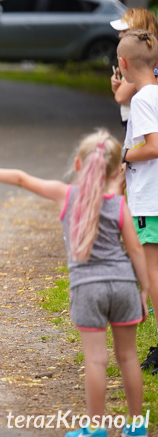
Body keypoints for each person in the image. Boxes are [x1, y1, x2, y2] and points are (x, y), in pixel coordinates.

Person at [0, 129, 149, 437]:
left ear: (78, 164)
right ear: (115, 171)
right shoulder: (119, 204)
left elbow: (20, 178)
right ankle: (137, 426)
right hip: (124, 285)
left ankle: (96, 428)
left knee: (96, 361)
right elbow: (136, 250)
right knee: (128, 357)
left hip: (88, 288)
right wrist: (145, 289)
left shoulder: (65, 195)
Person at [115, 30, 158, 376]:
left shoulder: (143, 99)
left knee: (153, 274)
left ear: (123, 63)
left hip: (150, 199)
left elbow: (155, 146)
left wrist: (124, 154)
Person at [109, 8, 158, 129]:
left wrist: (118, 91)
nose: (120, 35)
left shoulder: (141, 61)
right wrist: (118, 88)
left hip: (142, 126)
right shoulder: (151, 56)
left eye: (125, 30)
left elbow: (121, 97)